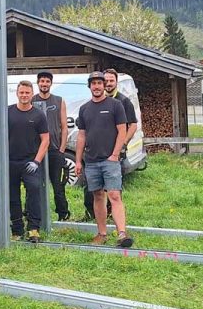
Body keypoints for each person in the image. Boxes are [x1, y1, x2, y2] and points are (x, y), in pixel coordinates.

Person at [0, 80, 49, 242]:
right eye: (21, 92)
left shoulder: (38, 115)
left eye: (27, 93)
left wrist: (36, 161)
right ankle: (17, 230)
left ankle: (34, 229)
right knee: (13, 197)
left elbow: (45, 140)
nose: (24, 95)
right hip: (10, 163)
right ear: (17, 93)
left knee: (34, 192)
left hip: (30, 162)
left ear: (31, 94)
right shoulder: (7, 112)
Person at [75, 71, 133, 248]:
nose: (97, 86)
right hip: (91, 161)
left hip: (110, 160)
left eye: (100, 83)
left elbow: (122, 130)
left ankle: (122, 233)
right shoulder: (84, 109)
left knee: (114, 195)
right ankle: (102, 233)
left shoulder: (115, 105)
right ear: (90, 86)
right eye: (93, 83)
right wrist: (78, 160)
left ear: (103, 85)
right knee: (98, 196)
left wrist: (115, 154)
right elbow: (82, 136)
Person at [83, 68, 138, 221]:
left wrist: (122, 144)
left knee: (113, 189)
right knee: (93, 189)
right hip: (95, 155)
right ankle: (93, 215)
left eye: (110, 81)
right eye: (105, 81)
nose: (107, 84)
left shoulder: (123, 101)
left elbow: (132, 125)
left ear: (115, 82)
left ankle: (115, 218)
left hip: (115, 153)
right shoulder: (92, 104)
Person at [31, 71, 71, 221]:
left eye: (47, 81)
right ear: (38, 83)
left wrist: (61, 149)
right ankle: (34, 214)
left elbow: (64, 127)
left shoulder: (59, 101)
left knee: (58, 186)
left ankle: (63, 214)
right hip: (36, 151)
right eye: (42, 81)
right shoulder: (32, 100)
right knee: (35, 185)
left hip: (54, 150)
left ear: (51, 83)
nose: (44, 84)